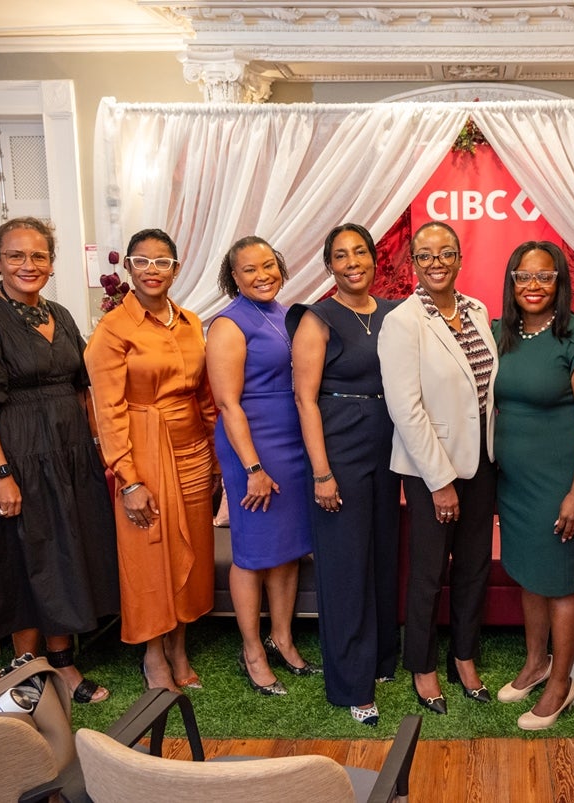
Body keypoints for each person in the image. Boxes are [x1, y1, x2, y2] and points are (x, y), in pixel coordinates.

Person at [0, 216, 119, 704]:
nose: (28, 265)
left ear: (52, 263)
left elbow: (82, 387)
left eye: (39, 256)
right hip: (16, 457)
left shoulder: (58, 312)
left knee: (63, 558)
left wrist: (95, 445)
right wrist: (0, 474)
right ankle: (27, 667)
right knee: (25, 558)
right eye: (15, 256)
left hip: (67, 457)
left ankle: (61, 661)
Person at [86, 228, 216, 692]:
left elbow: (204, 394)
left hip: (194, 451)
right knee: (150, 553)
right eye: (142, 261)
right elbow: (108, 411)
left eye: (162, 262)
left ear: (176, 269)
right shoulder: (113, 330)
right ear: (129, 269)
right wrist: (129, 479)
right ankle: (154, 653)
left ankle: (180, 647)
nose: (152, 271)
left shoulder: (190, 321)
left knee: (193, 552)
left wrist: (217, 455)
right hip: (142, 452)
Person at [377, 221, 498, 716]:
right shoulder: (403, 322)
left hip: (483, 461)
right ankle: (422, 666)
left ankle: (463, 657)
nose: (436, 263)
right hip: (433, 469)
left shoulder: (477, 310)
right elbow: (406, 408)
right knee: (429, 573)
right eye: (424, 256)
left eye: (445, 253)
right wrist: (440, 480)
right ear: (413, 263)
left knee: (472, 568)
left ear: (459, 258)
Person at [490, 241, 574, 731]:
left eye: (545, 277)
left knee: (559, 584)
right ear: (511, 282)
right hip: (514, 482)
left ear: (560, 282)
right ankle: (536, 662)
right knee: (527, 574)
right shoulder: (500, 333)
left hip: (561, 482)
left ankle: (562, 682)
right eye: (524, 277)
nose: (533, 286)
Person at [287, 223, 401, 726]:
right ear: (328, 266)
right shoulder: (318, 318)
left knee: (381, 557)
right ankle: (352, 686)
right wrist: (321, 473)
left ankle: (378, 661)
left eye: (361, 252)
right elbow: (304, 399)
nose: (353, 261)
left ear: (375, 259)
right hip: (341, 446)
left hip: (390, 444)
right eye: (341, 255)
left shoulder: (395, 313)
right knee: (346, 566)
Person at [207, 235, 317, 697]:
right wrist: (252, 467)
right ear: (235, 277)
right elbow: (227, 403)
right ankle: (252, 650)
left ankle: (283, 638)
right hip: (251, 446)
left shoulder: (285, 313)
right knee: (252, 553)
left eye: (268, 265)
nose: (262, 275)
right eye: (250, 269)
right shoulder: (228, 324)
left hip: (291, 442)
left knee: (288, 548)